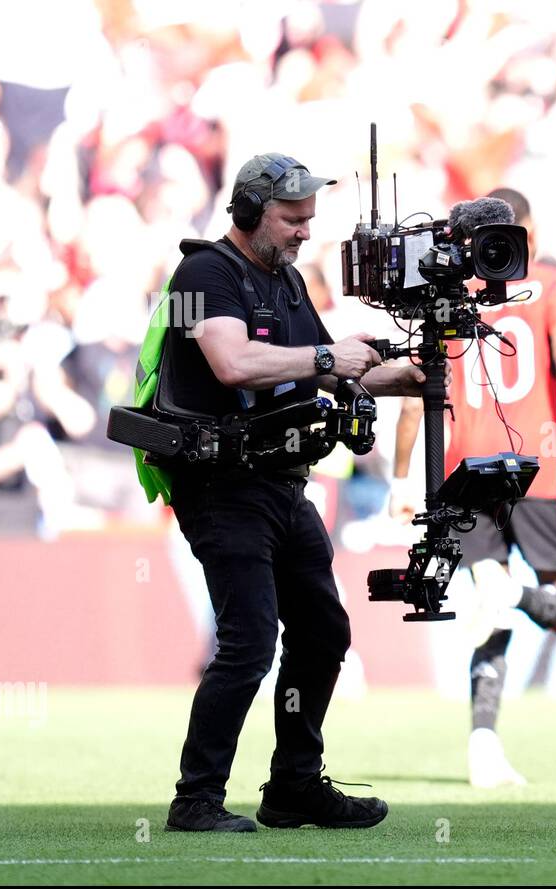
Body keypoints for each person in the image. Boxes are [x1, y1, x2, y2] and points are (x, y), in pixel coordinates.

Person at [161, 153, 436, 832]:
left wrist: (408, 376)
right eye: (292, 219)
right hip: (222, 484)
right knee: (250, 640)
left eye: (309, 219)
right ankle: (195, 798)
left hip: (282, 482)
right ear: (250, 213)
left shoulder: (284, 282)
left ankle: (293, 786)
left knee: (322, 631)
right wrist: (324, 357)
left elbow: (333, 374)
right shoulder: (204, 273)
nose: (303, 232)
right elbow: (232, 363)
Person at [390, 187, 556, 788]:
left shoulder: (444, 296)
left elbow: (414, 398)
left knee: (491, 606)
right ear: (522, 233)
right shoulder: (552, 284)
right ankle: (516, 597)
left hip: (465, 473)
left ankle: (483, 745)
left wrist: (403, 480)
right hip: (539, 471)